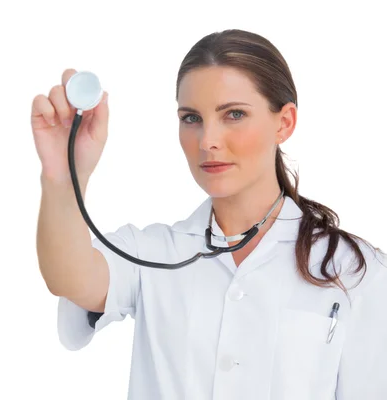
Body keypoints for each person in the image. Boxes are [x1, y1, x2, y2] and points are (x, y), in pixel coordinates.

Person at [31, 29, 387, 399]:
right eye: (191, 118)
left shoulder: (357, 272)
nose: (207, 141)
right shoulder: (151, 252)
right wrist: (62, 175)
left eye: (233, 114)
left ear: (284, 123)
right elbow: (70, 277)